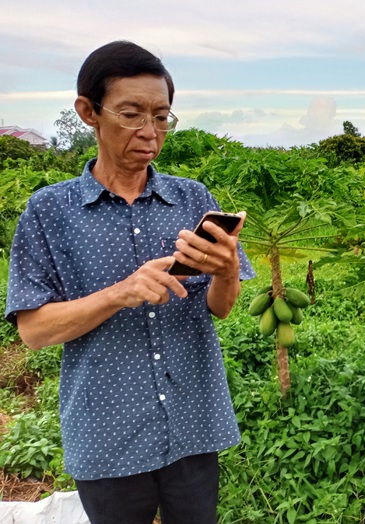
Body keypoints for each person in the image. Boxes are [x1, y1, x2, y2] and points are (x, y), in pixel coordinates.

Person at [4, 41, 255, 524]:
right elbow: (33, 331)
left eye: (162, 117)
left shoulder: (191, 198)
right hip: (106, 431)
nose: (150, 132)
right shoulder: (50, 211)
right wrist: (120, 293)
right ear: (88, 112)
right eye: (131, 114)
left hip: (194, 419)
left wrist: (225, 271)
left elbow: (220, 308)